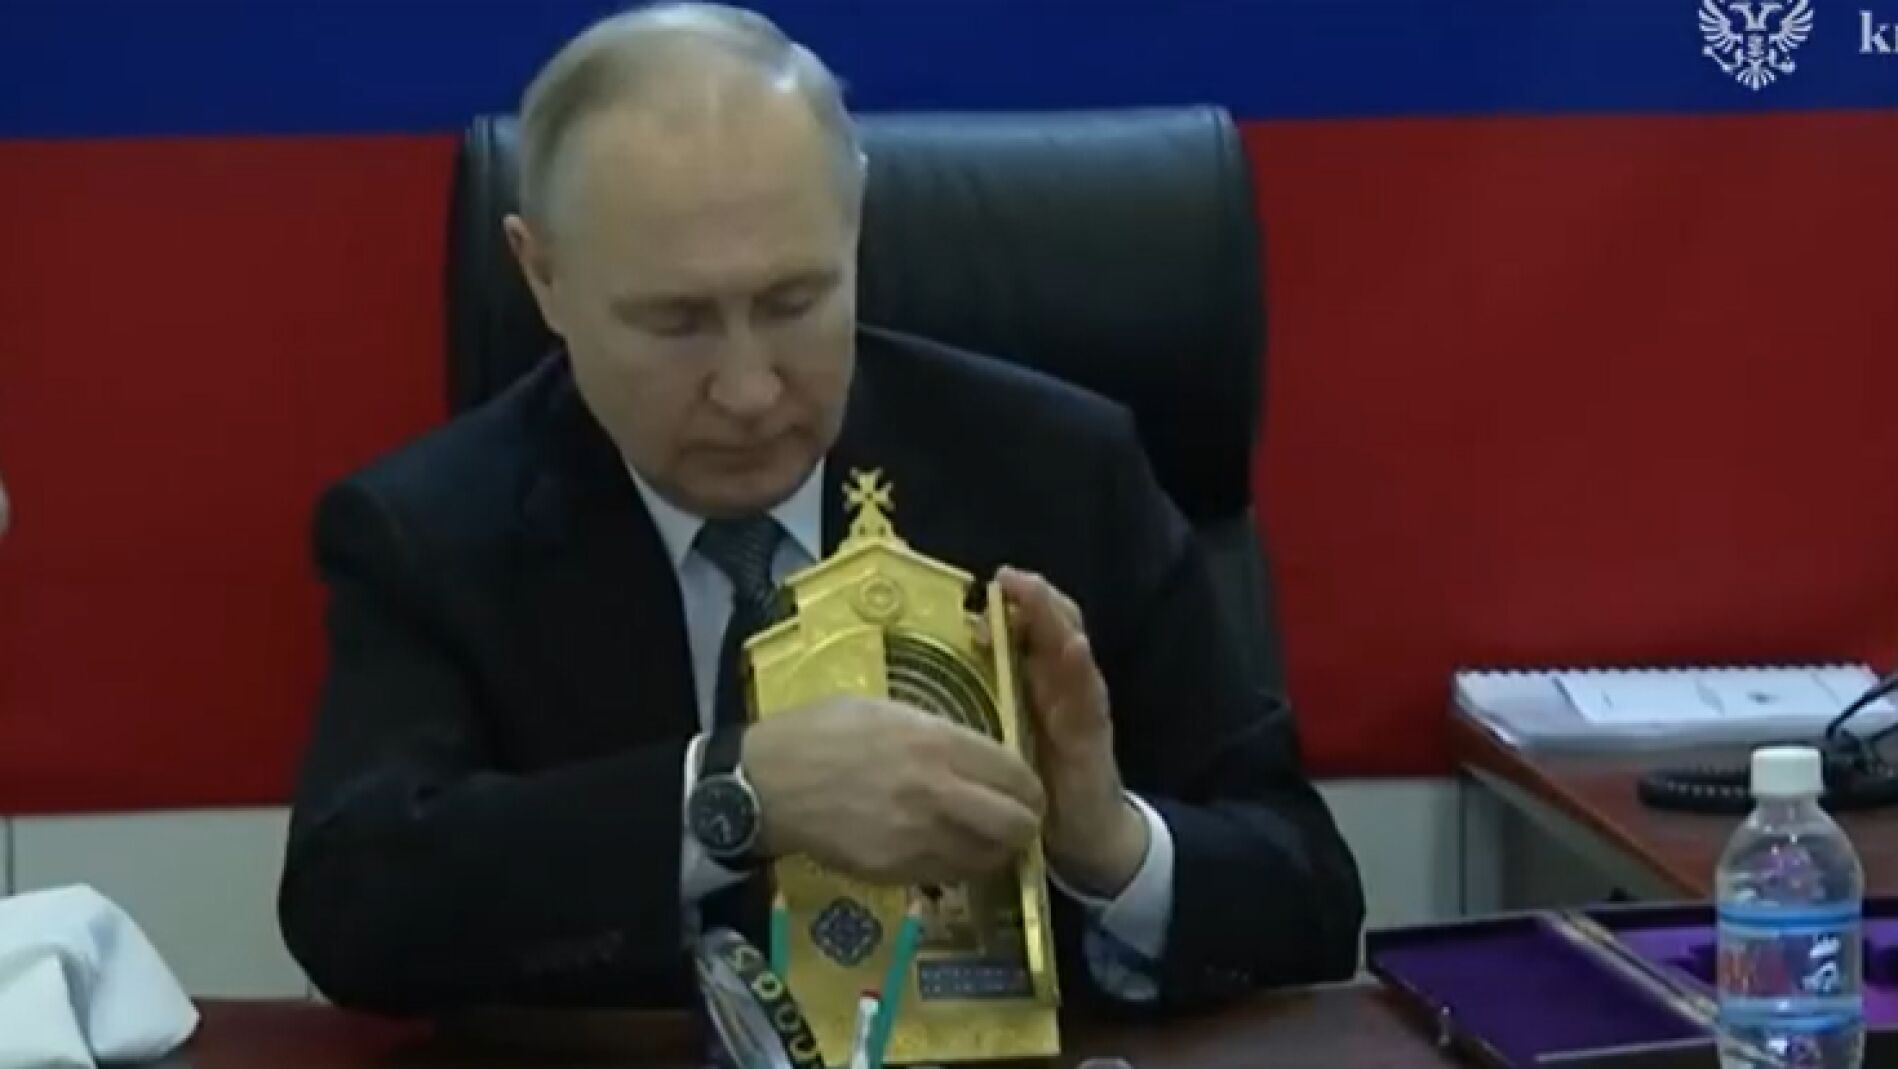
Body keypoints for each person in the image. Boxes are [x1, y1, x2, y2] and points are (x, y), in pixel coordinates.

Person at [278, 2, 1364, 1018]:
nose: (750, 389)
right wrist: (730, 794)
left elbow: (1311, 895)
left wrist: (1107, 844)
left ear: (855, 233)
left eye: (794, 302)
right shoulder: (427, 532)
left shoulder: (1059, 473)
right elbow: (352, 902)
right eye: (676, 322)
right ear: (543, 276)